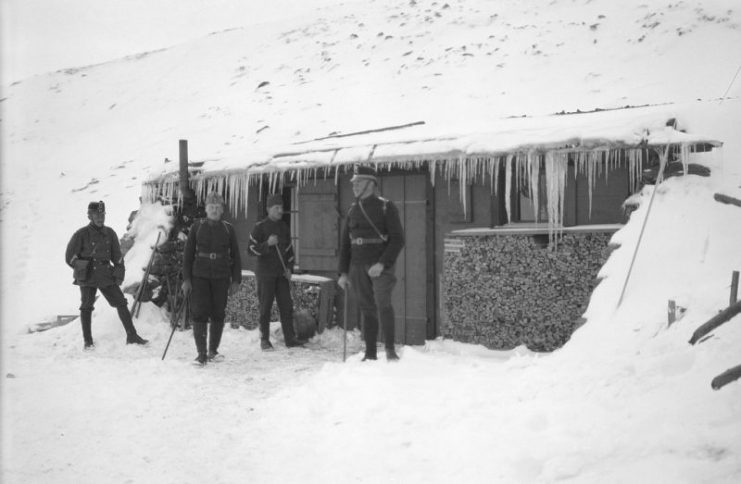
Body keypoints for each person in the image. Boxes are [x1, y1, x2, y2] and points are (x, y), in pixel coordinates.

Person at [338, 165, 405, 361]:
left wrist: (382, 264)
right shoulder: (352, 210)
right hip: (358, 265)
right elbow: (345, 244)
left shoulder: (386, 206)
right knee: (366, 308)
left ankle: (391, 351)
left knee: (383, 304)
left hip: (380, 266)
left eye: (358, 182)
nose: (354, 186)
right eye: (354, 183)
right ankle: (370, 353)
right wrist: (343, 272)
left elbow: (398, 239)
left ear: (370, 184)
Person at [65, 201, 149, 349]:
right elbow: (70, 256)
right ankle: (88, 341)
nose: (100, 218)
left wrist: (118, 275)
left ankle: (132, 336)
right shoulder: (81, 234)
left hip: (105, 274)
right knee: (86, 307)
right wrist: (82, 268)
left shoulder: (109, 233)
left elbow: (117, 257)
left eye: (102, 215)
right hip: (88, 276)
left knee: (121, 303)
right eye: (97, 215)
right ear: (89, 216)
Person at [182, 192, 242, 365]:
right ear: (206, 209)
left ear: (222, 209)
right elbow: (187, 255)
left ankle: (213, 351)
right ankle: (201, 354)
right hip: (199, 276)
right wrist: (186, 279)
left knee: (218, 313)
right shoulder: (196, 227)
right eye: (211, 207)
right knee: (199, 314)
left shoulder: (228, 229)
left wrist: (236, 280)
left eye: (217, 207)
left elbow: (236, 256)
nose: (214, 210)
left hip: (221, 276)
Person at [248, 193, 306, 350]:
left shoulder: (284, 227)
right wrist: (267, 244)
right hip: (265, 274)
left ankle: (290, 338)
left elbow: (289, 251)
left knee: (286, 306)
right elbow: (250, 249)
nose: (280, 210)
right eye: (276, 208)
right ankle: (264, 340)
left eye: (281, 207)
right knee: (265, 307)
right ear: (268, 209)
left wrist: (289, 268)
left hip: (281, 274)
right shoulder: (259, 227)